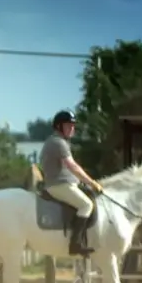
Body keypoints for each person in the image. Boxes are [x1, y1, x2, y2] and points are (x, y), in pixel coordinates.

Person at [39, 109, 104, 256]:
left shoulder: (57, 141)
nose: (72, 129)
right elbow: (72, 166)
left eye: (73, 126)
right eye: (68, 126)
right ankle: (75, 244)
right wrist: (92, 182)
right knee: (86, 205)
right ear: (59, 127)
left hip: (64, 183)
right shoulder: (58, 143)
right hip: (59, 185)